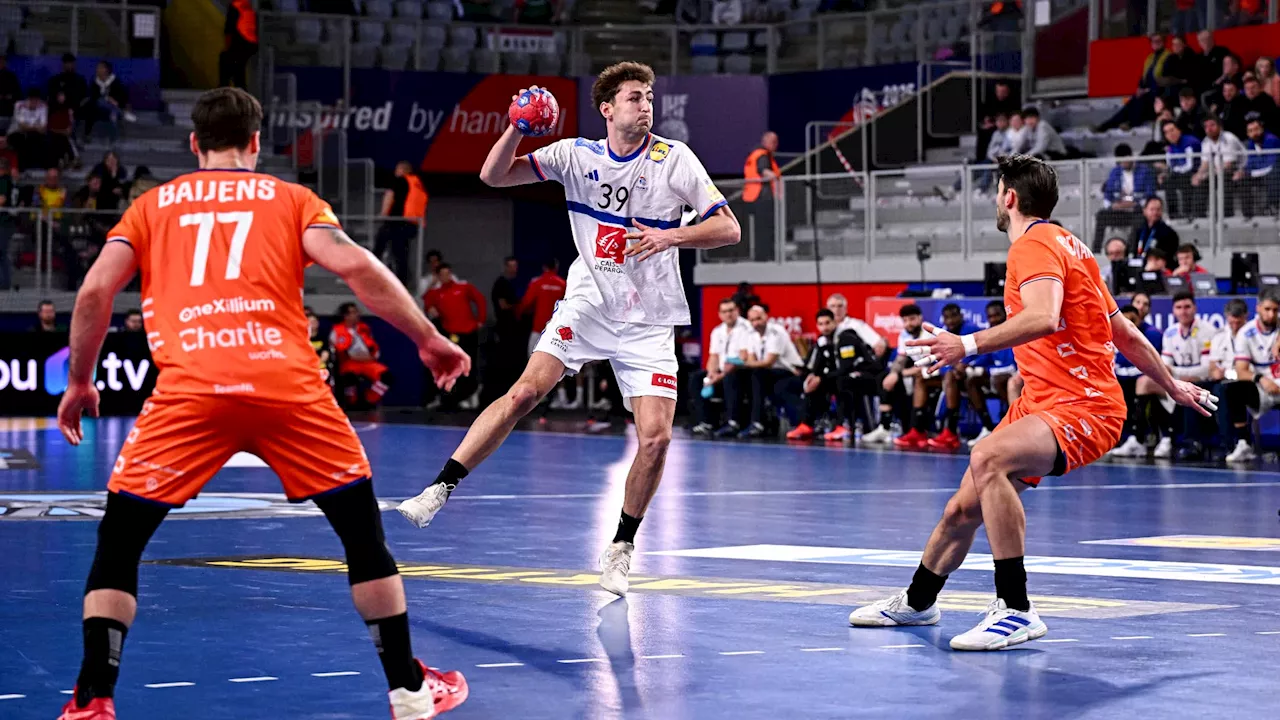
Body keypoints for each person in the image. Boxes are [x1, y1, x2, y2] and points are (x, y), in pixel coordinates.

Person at [52, 86, 471, 720]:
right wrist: (429, 339)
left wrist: (81, 382)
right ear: (256, 143)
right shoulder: (292, 199)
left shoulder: (150, 207)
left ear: (194, 145)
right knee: (364, 540)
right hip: (289, 391)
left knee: (118, 547)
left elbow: (93, 294)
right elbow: (356, 268)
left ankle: (92, 699)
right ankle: (410, 691)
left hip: (190, 392)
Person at [396, 64, 741, 597]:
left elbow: (728, 227)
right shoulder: (574, 155)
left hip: (649, 318)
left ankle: (621, 548)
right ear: (608, 109)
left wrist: (672, 237)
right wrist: (516, 125)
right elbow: (493, 175)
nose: (645, 106)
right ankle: (439, 488)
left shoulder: (673, 159)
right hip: (589, 303)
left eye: (649, 97)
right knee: (524, 393)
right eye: (633, 98)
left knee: (655, 439)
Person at [849, 154, 1214, 651]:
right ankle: (918, 602)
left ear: (1009, 198)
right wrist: (1171, 384)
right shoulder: (1072, 246)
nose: (997, 198)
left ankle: (1016, 608)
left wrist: (966, 344)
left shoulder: (1034, 244)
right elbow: (1123, 332)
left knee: (988, 457)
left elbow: (1043, 316)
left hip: (1083, 405)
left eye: (998, 190)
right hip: (1043, 402)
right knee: (962, 509)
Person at [719, 304, 803, 438]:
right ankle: (733, 422)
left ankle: (757, 423)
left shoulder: (777, 331)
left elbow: (768, 362)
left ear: (766, 317)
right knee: (734, 376)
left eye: (758, 319)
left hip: (788, 371)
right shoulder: (751, 335)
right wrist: (746, 364)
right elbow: (753, 360)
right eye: (752, 320)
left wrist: (746, 363)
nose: (756, 323)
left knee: (758, 374)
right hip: (767, 372)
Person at [1151, 291, 1215, 459]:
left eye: (1187, 307)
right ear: (1173, 311)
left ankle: (1192, 442)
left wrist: (1178, 374)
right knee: (1151, 385)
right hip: (1179, 380)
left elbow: (1206, 369)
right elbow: (1165, 366)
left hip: (1204, 381)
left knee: (1190, 391)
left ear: (1195, 308)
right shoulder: (1170, 333)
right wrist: (1178, 377)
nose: (1183, 311)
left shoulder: (1208, 330)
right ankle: (1165, 438)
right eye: (1179, 307)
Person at [1224, 290, 1280, 463]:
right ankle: (1243, 443)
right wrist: (1261, 379)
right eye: (1267, 309)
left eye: (1275, 310)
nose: (1271, 314)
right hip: (1263, 385)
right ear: (1258, 308)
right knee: (1233, 387)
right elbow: (1241, 370)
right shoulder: (1246, 333)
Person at [423, 263, 486, 409]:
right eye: (442, 274)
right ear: (438, 277)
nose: (446, 277)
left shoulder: (463, 287)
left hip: (469, 333)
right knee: (454, 366)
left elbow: (480, 300)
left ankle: (471, 394)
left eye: (448, 273)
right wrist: (430, 307)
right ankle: (455, 398)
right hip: (451, 336)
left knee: (469, 365)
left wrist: (480, 320)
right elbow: (425, 302)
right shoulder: (436, 293)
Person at [865, 303, 927, 445]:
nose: (909, 324)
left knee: (910, 379)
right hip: (916, 372)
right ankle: (885, 427)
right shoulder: (904, 335)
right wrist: (893, 373)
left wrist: (902, 373)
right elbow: (900, 359)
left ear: (920, 318)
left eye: (912, 319)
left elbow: (929, 363)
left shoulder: (928, 333)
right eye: (905, 321)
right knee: (885, 378)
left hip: (935, 371)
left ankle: (918, 430)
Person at [689, 297, 750, 435]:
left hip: (741, 372)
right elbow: (714, 356)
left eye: (731, 310)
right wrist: (711, 374)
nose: (728, 314)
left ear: (737, 311)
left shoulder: (746, 328)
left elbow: (743, 357)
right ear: (719, 314)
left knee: (731, 377)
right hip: (722, 373)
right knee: (697, 378)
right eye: (724, 311)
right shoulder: (717, 331)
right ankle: (706, 422)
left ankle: (733, 422)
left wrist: (719, 377)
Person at [925, 303, 982, 450]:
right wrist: (954, 367)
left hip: (975, 372)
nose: (950, 321)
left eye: (953, 316)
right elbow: (940, 360)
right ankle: (944, 431)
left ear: (961, 316)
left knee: (954, 377)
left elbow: (984, 354)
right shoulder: (943, 334)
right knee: (947, 376)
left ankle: (952, 430)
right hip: (954, 375)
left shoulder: (972, 330)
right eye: (947, 318)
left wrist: (966, 365)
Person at [964, 300, 1017, 447]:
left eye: (997, 315)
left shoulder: (1015, 331)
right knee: (972, 381)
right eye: (990, 316)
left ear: (1005, 314)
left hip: (1015, 377)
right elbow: (986, 356)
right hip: (996, 376)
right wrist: (971, 366)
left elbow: (1013, 365)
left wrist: (987, 370)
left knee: (1002, 381)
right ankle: (987, 427)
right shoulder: (991, 333)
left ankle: (1012, 427)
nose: (993, 319)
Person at [330, 302, 395, 409]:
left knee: (387, 376)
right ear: (345, 315)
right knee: (349, 378)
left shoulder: (364, 328)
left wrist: (373, 356)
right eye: (353, 312)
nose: (357, 315)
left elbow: (373, 346)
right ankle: (351, 402)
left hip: (368, 362)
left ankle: (369, 400)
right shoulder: (337, 331)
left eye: (357, 312)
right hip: (349, 362)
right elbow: (338, 351)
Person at [375, 160, 428, 286]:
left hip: (396, 222)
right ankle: (402, 282)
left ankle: (371, 275)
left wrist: (382, 214)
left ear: (403, 170)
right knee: (401, 253)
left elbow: (389, 195)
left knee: (379, 248)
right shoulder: (417, 184)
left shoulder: (399, 180)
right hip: (411, 224)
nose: (395, 172)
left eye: (397, 169)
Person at [1094, 144, 1155, 250]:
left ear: (1131, 156)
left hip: (1136, 211)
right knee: (1101, 216)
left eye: (1125, 159)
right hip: (1119, 212)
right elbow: (1108, 195)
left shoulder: (1145, 171)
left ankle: (1131, 252)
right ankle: (1095, 251)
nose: (1123, 163)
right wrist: (1112, 205)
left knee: (1139, 221)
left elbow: (1150, 194)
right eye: (1121, 161)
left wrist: (1136, 204)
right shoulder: (1115, 172)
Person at [1194, 114, 1247, 217]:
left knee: (1223, 179)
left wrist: (1209, 174)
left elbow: (1229, 164)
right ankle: (1198, 216)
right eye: (1206, 127)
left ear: (1220, 127)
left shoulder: (1229, 138)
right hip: (1216, 172)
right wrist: (1198, 175)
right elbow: (1205, 164)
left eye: (1212, 125)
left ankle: (1225, 214)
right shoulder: (1205, 142)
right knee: (1200, 182)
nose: (1209, 129)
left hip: (1238, 169)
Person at [1238, 113, 1280, 217]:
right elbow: (1251, 162)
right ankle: (1248, 214)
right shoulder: (1252, 143)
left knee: (1274, 174)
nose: (1254, 133)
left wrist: (1251, 172)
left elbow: (1271, 164)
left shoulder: (1271, 139)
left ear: (1262, 129)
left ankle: (1273, 207)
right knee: (1243, 178)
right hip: (1260, 173)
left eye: (1256, 129)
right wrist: (1244, 171)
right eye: (1251, 131)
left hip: (1274, 173)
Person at [1161, 121, 1203, 219]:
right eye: (1167, 132)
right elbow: (1171, 165)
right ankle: (1173, 214)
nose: (1170, 134)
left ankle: (1187, 213)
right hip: (1181, 173)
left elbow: (1190, 165)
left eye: (1172, 130)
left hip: (1197, 171)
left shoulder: (1189, 142)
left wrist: (1175, 170)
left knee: (1183, 179)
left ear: (1178, 130)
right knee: (1167, 181)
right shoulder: (1170, 147)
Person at [826, 292, 887, 359]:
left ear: (846, 309)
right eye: (833, 306)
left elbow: (878, 343)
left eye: (840, 306)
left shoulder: (855, 325)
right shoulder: (825, 327)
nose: (836, 309)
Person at [84, 61, 130, 144]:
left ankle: (114, 137)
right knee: (90, 107)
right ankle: (87, 134)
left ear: (106, 70)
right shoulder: (95, 81)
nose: (97, 70)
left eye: (100, 68)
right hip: (98, 107)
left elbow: (123, 97)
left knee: (113, 111)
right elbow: (93, 96)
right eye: (98, 68)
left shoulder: (115, 81)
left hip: (113, 107)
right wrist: (107, 98)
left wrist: (113, 100)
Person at [220, 0, 258, 89]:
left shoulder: (234, 6)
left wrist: (227, 47)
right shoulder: (247, 6)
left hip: (240, 42)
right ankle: (241, 89)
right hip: (251, 42)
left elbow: (229, 29)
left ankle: (224, 89)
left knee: (225, 61)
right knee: (240, 69)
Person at [9, 87, 49, 170]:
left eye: (36, 99)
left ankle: (38, 165)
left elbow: (43, 128)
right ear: (28, 98)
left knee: (37, 137)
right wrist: (35, 126)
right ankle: (21, 167)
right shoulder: (19, 105)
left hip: (35, 134)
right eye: (32, 99)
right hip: (17, 132)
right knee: (19, 138)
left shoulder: (43, 106)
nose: (34, 101)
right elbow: (21, 126)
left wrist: (30, 127)